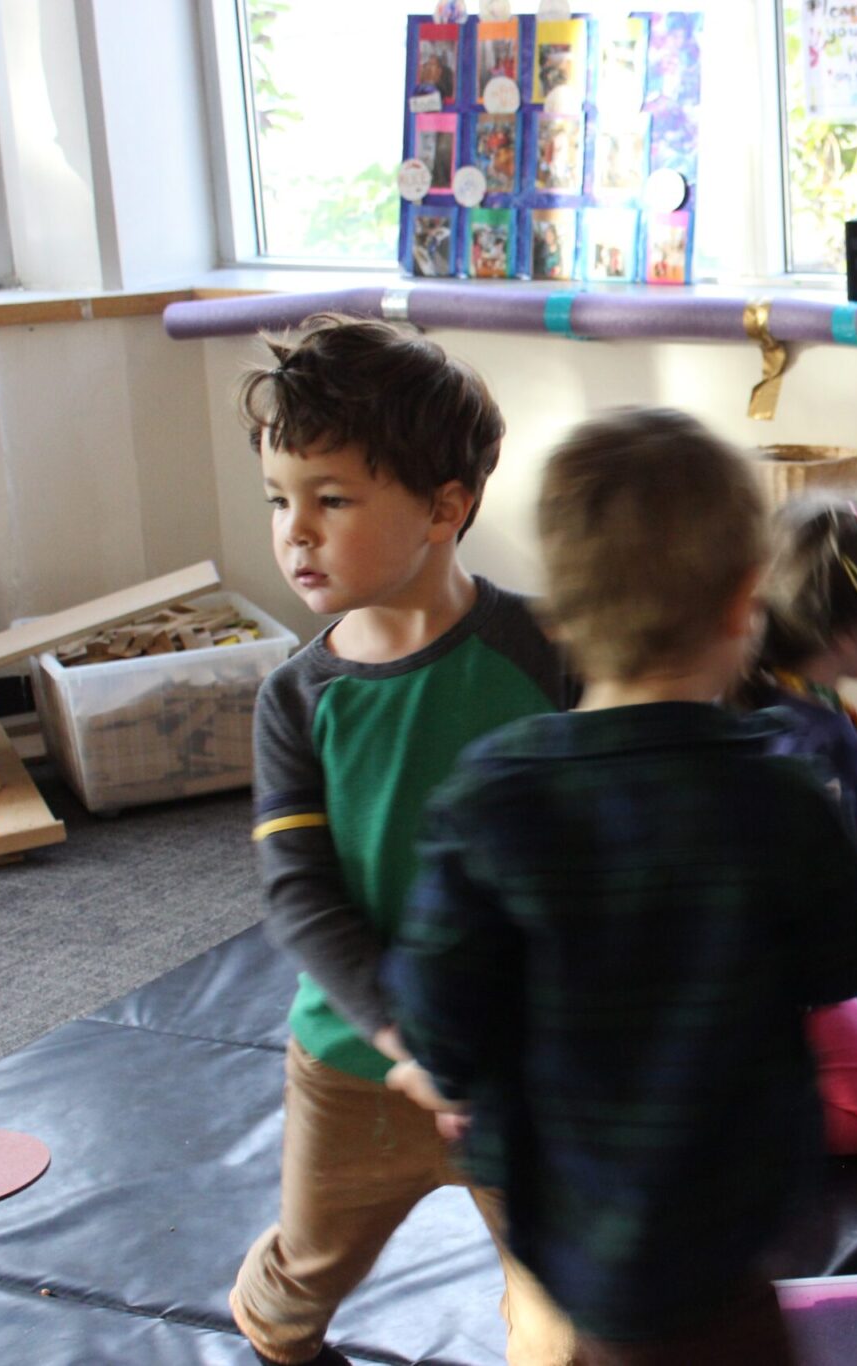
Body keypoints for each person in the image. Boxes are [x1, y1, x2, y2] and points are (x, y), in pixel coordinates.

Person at [387, 408, 857, 1365]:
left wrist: (440, 1069)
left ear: (559, 614)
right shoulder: (778, 789)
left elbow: (442, 994)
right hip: (733, 1216)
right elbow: (839, 960)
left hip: (569, 1212)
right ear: (747, 602)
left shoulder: (493, 792)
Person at [230, 315, 576, 1366]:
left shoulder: (547, 654)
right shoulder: (298, 699)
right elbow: (300, 895)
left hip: (522, 1057)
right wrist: (403, 1031)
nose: (296, 533)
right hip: (355, 1061)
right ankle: (272, 1321)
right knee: (310, 1270)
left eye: (331, 500)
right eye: (279, 501)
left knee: (565, 1298)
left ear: (444, 508)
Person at [742, 490, 857, 1156]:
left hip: (772, 954)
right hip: (757, 974)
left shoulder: (794, 696)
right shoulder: (804, 743)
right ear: (851, 637)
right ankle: (719, 1127)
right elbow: (808, 881)